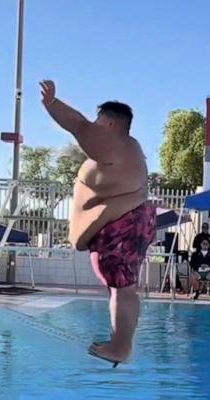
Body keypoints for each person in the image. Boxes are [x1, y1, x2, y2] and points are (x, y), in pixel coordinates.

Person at [40, 80, 154, 367]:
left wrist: (52, 103)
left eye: (99, 118)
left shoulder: (114, 143)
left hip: (120, 224)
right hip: (130, 221)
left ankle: (120, 348)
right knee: (124, 287)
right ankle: (121, 343)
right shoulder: (130, 149)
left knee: (122, 289)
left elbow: (78, 125)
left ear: (112, 123)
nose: (95, 122)